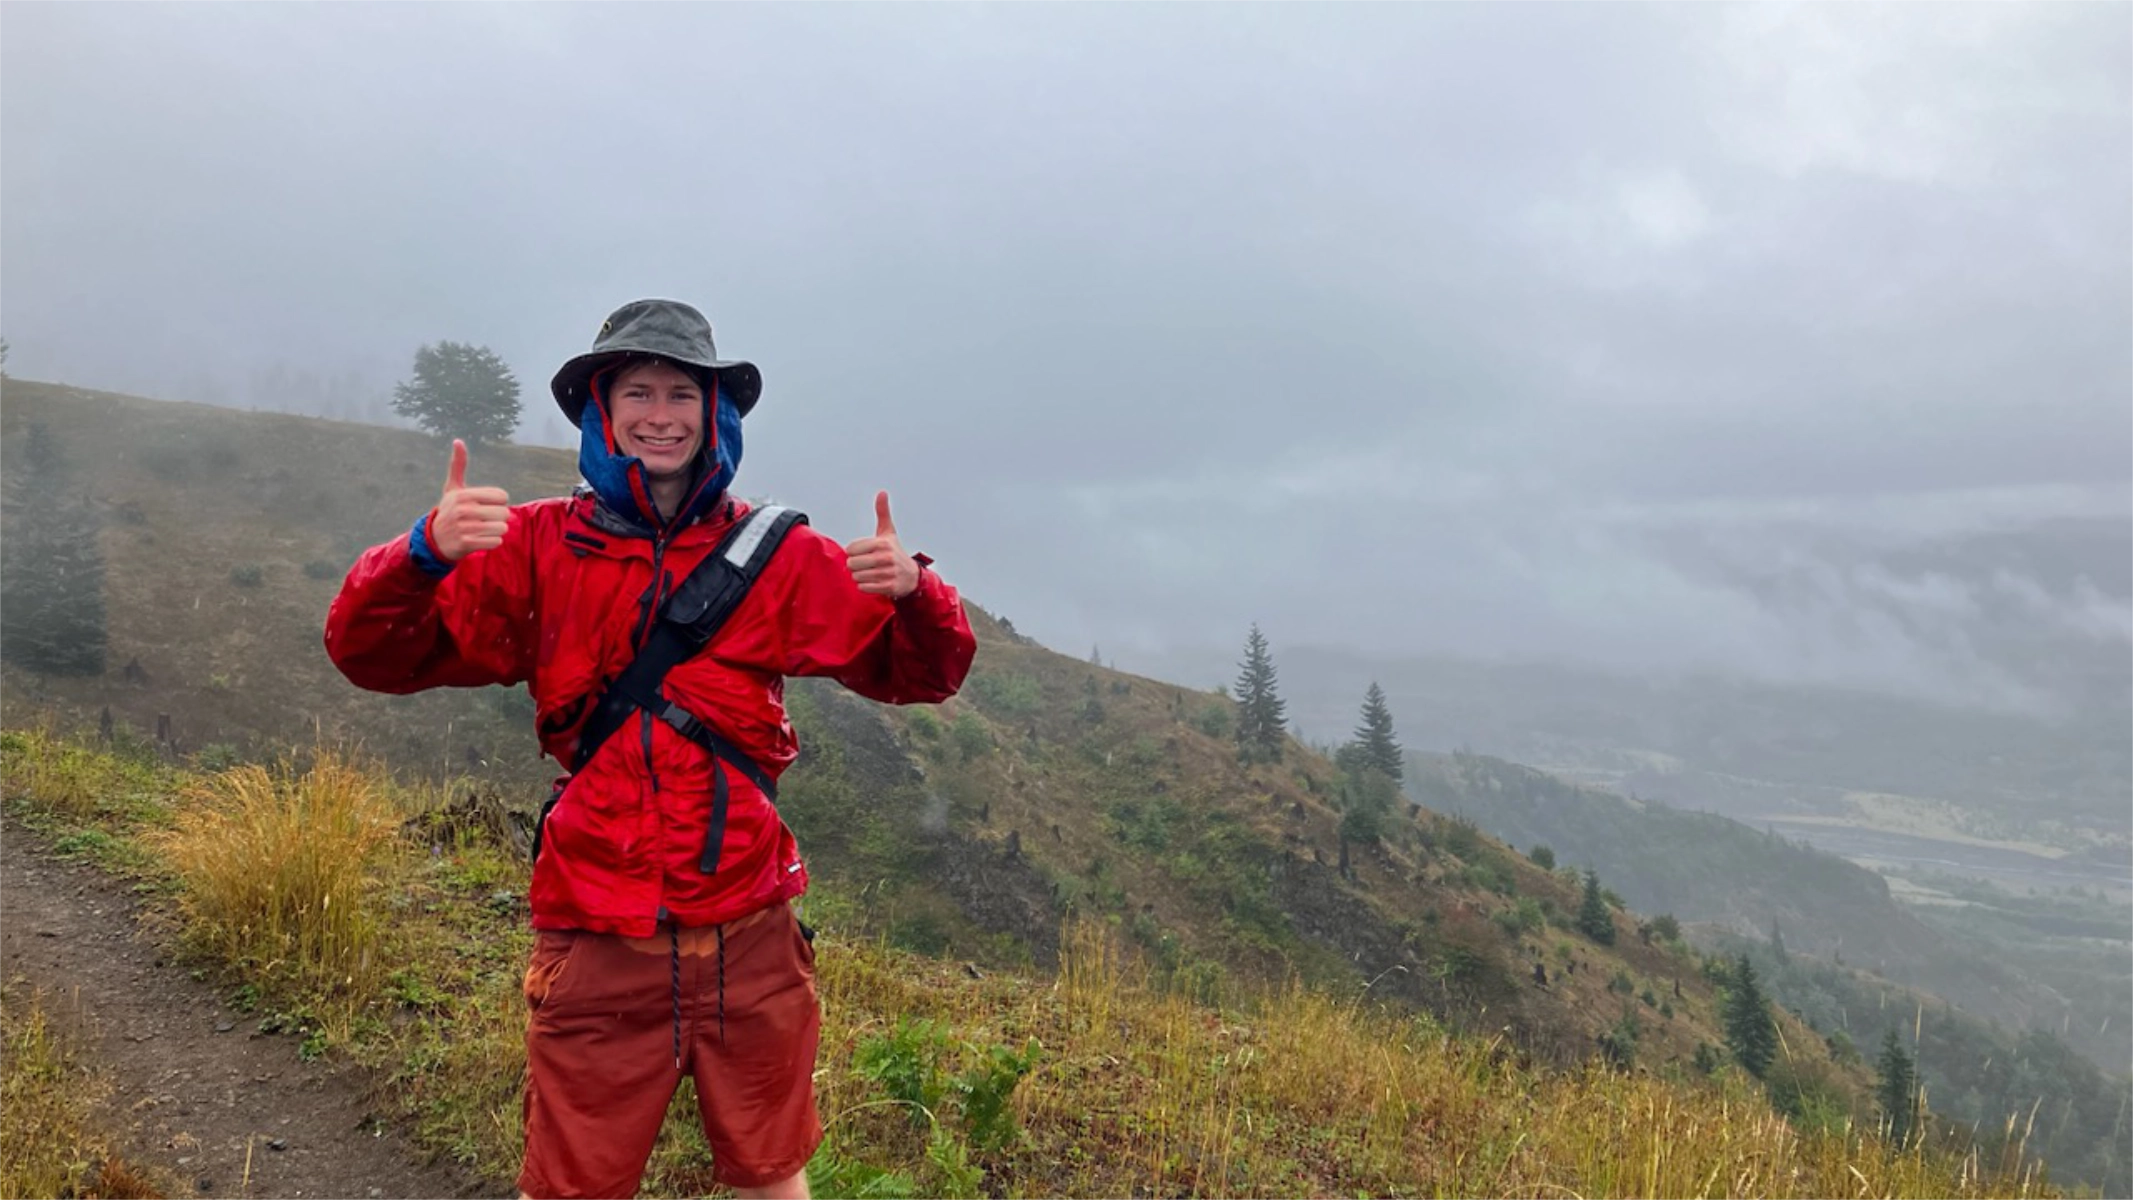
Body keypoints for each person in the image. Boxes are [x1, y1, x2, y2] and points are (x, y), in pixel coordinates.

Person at [324, 298, 977, 1200]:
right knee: (570, 1186)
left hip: (750, 930)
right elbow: (372, 655)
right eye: (637, 391)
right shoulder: (535, 546)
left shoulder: (779, 555)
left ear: (716, 414)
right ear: (602, 410)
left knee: (772, 1175)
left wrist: (914, 592)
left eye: (681, 392)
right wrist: (421, 555)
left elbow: (923, 674)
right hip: (595, 931)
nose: (659, 413)